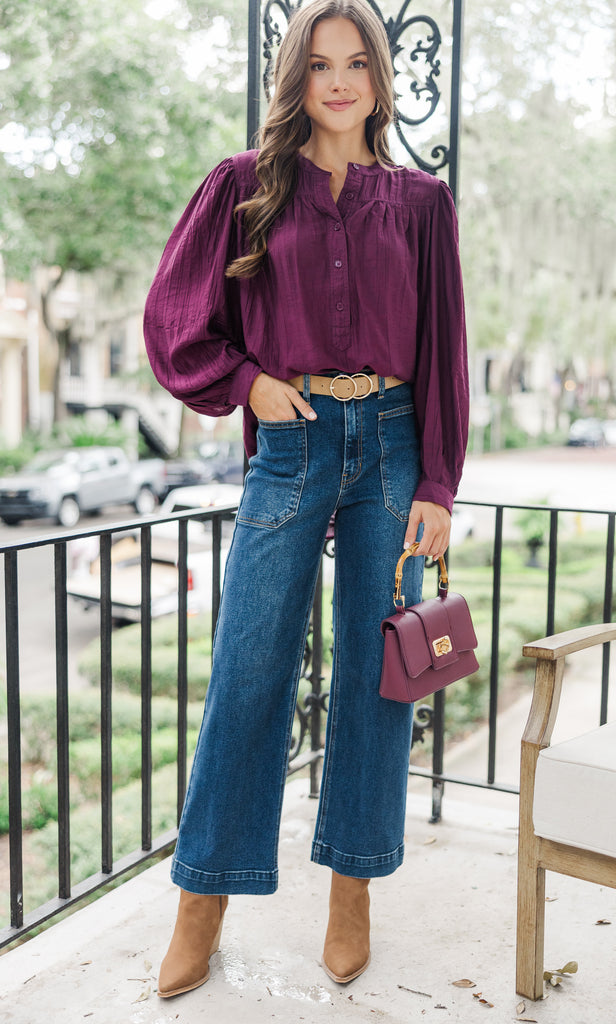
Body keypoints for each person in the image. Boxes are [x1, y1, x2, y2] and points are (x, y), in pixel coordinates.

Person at [143, 0, 468, 998]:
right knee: (247, 672)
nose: (336, 82)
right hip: (288, 444)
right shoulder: (242, 185)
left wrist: (440, 483)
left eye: (355, 64)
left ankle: (352, 889)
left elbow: (443, 349)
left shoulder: (419, 203)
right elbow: (174, 323)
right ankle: (202, 901)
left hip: (392, 443)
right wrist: (249, 386)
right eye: (318, 64)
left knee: (379, 685)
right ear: (297, 76)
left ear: (379, 79)